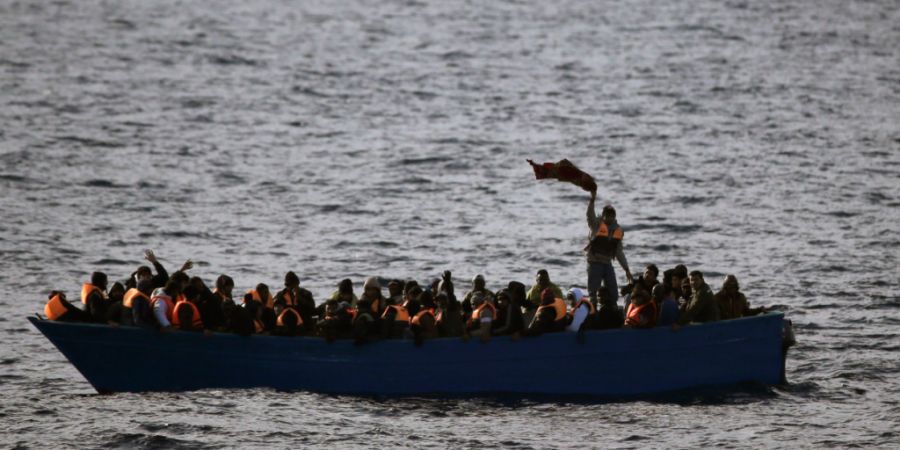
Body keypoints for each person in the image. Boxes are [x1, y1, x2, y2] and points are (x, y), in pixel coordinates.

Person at [585, 192, 633, 306]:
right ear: (603, 215)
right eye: (608, 215)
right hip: (594, 262)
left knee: (613, 293)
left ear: (615, 216)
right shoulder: (595, 224)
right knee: (593, 293)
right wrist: (591, 201)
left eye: (612, 215)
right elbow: (589, 215)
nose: (610, 218)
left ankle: (613, 312)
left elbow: (619, 252)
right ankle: (593, 314)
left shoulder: (618, 231)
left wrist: (626, 269)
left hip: (607, 264)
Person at [125, 249, 193, 290]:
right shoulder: (132, 284)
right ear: (138, 276)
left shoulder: (153, 282)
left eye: (148, 275)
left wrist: (154, 262)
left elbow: (166, 279)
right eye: (143, 275)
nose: (146, 278)